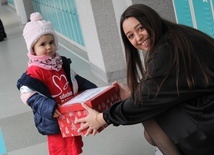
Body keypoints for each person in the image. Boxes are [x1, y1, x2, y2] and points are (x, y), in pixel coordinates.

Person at [75, 4, 214, 155]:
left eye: (140, 28)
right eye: (131, 36)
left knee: (148, 114)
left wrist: (102, 118)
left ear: (151, 21)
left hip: (208, 116)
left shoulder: (166, 50)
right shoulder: (173, 35)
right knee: (148, 115)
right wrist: (131, 94)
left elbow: (144, 101)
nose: (138, 37)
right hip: (204, 102)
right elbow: (159, 88)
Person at [16, 12, 97, 155]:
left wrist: (94, 92)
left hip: (69, 114)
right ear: (33, 49)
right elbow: (28, 95)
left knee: (73, 147)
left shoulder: (60, 63)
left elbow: (75, 80)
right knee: (61, 149)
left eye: (51, 42)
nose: (49, 47)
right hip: (54, 117)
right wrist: (49, 108)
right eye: (42, 44)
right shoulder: (35, 70)